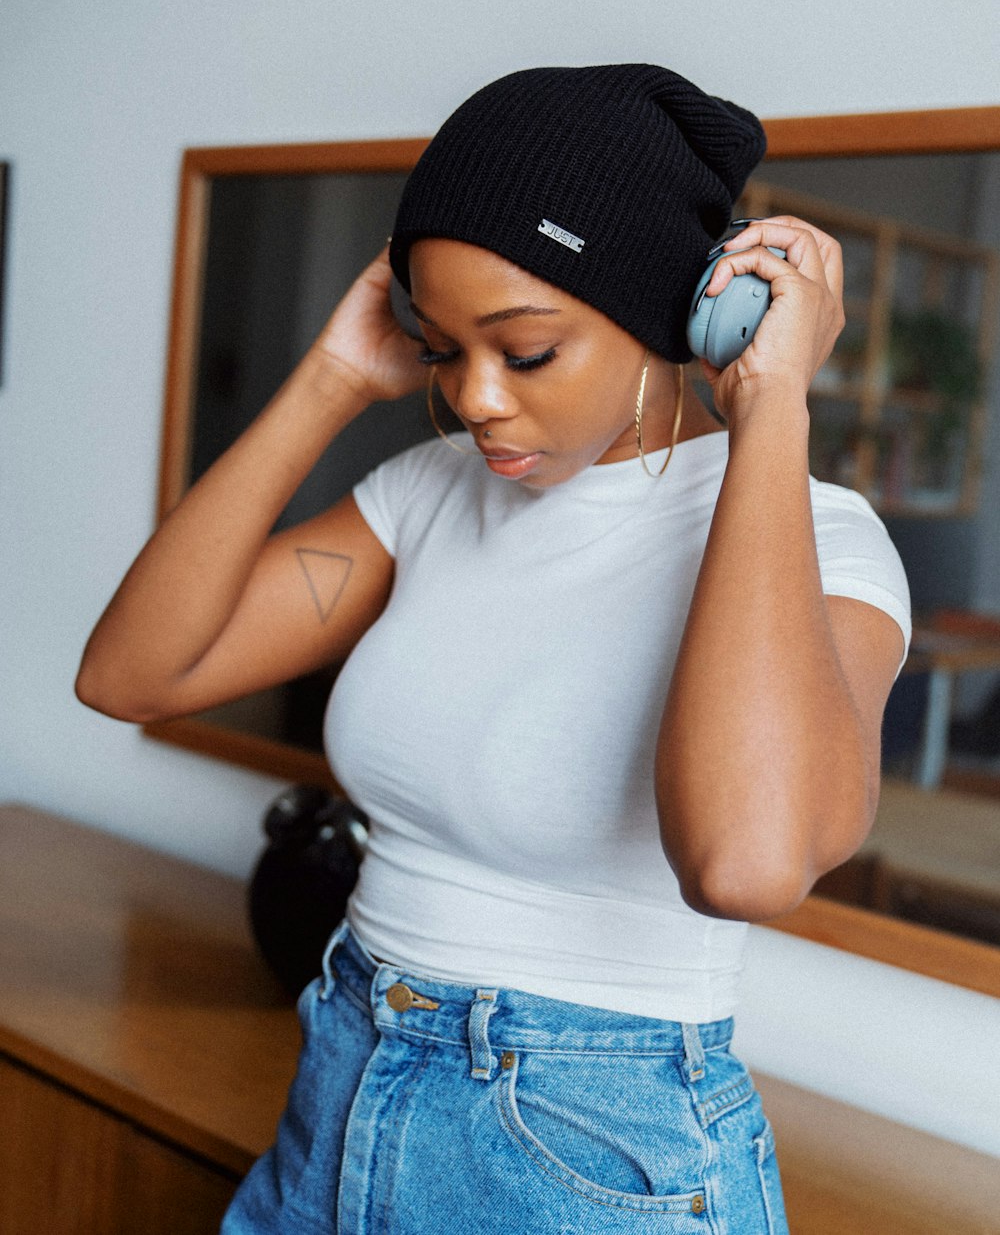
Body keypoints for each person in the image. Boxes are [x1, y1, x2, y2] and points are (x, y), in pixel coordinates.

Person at [77, 64, 910, 1234]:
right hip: (340, 1083)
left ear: (678, 317)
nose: (473, 399)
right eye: (437, 348)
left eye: (524, 353)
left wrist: (769, 412)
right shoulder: (428, 494)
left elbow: (746, 864)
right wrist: (327, 381)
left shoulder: (820, 540)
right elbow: (131, 675)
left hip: (586, 1149)